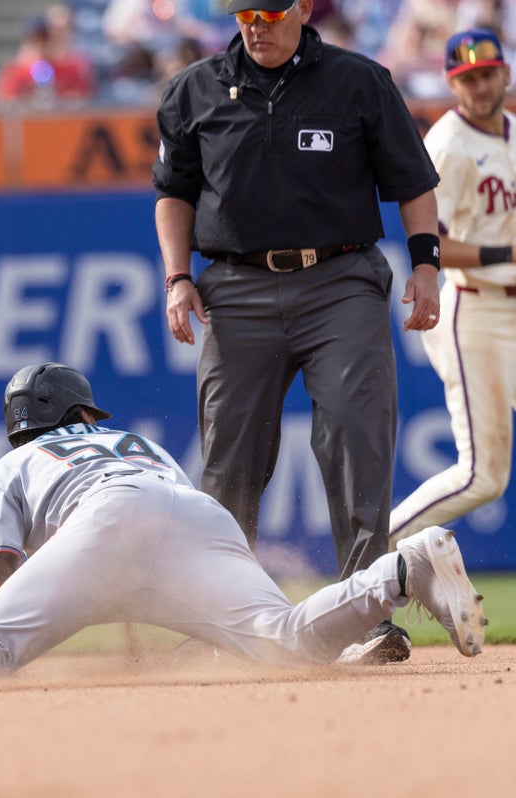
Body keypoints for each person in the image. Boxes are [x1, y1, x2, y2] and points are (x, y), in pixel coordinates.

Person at [0, 363, 487, 681]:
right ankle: (403, 569)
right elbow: (128, 557)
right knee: (289, 642)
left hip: (106, 521)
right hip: (197, 516)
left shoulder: (16, 463)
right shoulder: (133, 442)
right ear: (84, 413)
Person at [152, 0, 444, 666]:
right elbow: (174, 191)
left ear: (303, 8)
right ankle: (222, 624)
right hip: (235, 287)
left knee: (353, 432)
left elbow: (413, 181)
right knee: (229, 457)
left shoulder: (359, 80)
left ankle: (368, 614)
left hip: (339, 279)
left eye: (271, 10)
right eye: (244, 10)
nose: (256, 23)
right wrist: (177, 277)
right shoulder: (193, 87)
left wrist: (425, 264)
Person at [390, 28, 516, 549]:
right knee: (482, 475)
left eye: (487, 75)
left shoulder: (512, 131)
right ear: (451, 82)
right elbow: (429, 240)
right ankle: (373, 548)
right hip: (475, 308)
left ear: (505, 74)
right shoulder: (447, 143)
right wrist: (503, 255)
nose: (480, 87)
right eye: (468, 79)